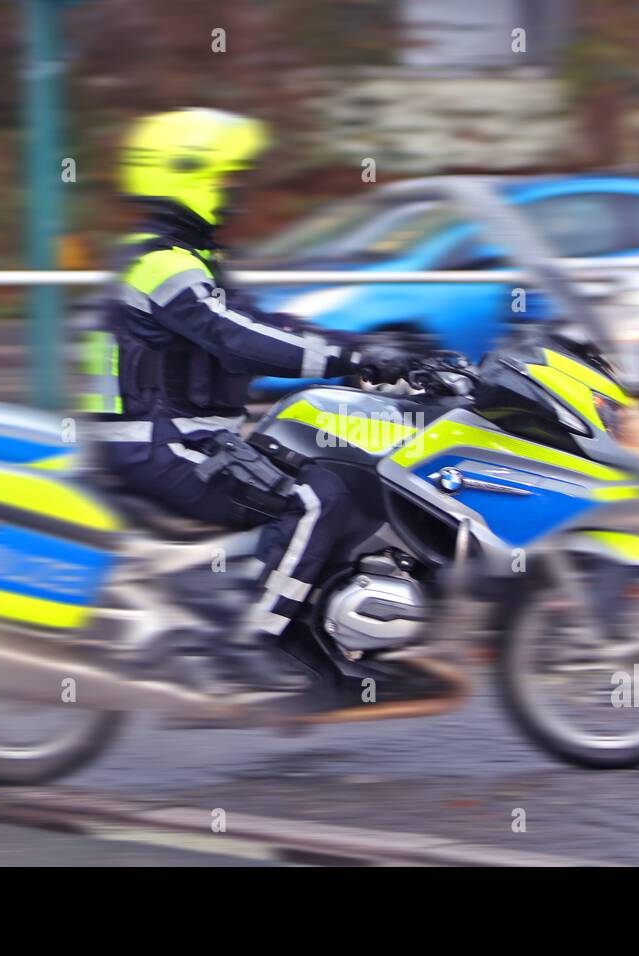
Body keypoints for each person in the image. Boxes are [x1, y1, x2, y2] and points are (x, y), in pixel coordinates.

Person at [80, 108, 414, 691]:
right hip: (159, 447)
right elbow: (235, 338)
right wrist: (352, 362)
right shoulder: (161, 266)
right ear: (189, 176)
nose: (234, 193)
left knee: (340, 467)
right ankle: (266, 642)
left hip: (187, 439)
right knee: (315, 498)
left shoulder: (181, 260)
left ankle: (310, 619)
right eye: (227, 179)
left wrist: (371, 348)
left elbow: (263, 322)